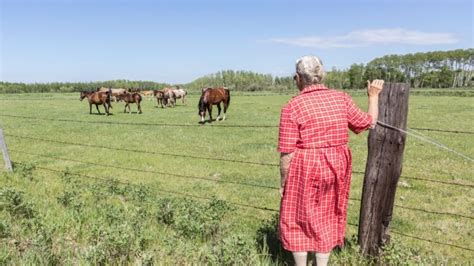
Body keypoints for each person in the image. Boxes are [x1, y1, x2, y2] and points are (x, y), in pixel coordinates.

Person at [278, 55, 384, 266]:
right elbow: (368, 123)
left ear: (297, 78)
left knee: (298, 215)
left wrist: (283, 183)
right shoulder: (341, 98)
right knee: (327, 212)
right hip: (336, 165)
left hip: (304, 164)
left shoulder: (292, 106)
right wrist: (373, 96)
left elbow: (287, 152)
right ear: (322, 75)